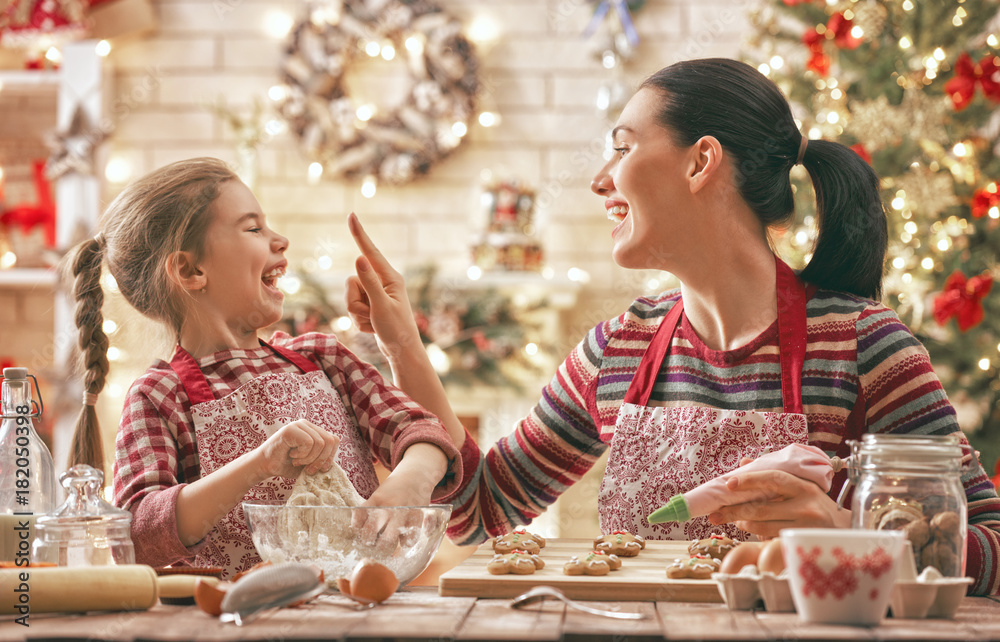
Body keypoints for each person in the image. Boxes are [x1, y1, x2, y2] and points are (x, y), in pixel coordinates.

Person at [345, 58, 1000, 595]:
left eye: (624, 148)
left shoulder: (862, 347)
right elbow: (481, 510)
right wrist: (400, 339)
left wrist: (848, 530)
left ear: (700, 162)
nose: (602, 180)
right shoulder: (618, 350)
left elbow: (991, 551)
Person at [65, 158, 463, 578]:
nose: (281, 240)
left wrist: (409, 483)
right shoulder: (160, 395)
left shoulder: (324, 359)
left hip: (352, 605)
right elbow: (139, 536)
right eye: (253, 228)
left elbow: (424, 431)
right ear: (190, 269)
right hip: (234, 621)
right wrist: (260, 464)